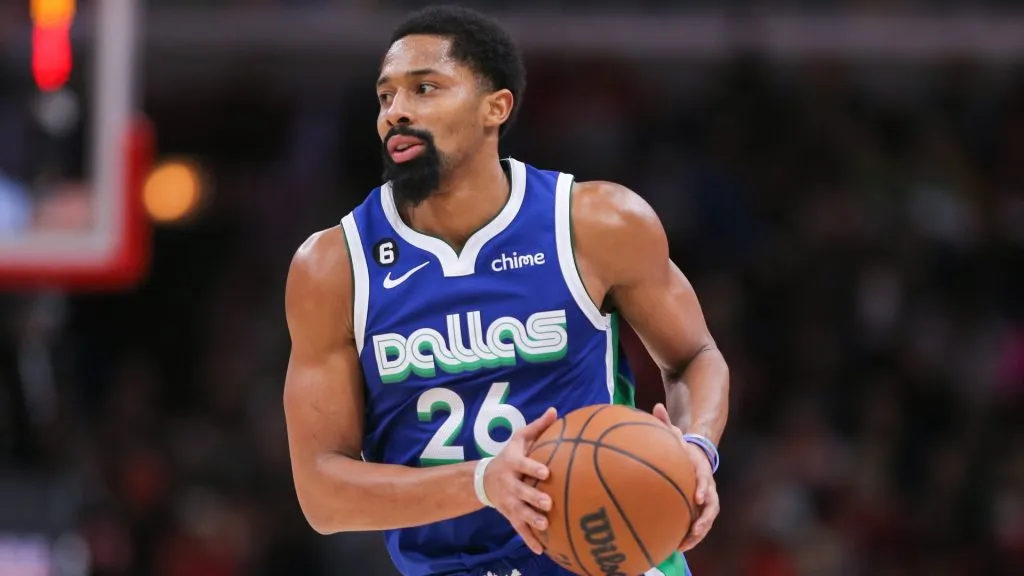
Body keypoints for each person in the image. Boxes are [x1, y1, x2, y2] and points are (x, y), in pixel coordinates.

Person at [283, 6, 729, 576]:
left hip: (611, 557)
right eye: (385, 96)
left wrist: (695, 450)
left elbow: (695, 356)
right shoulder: (333, 266)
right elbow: (323, 494)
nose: (396, 112)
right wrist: (483, 482)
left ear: (496, 107)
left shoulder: (596, 223)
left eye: (424, 88)